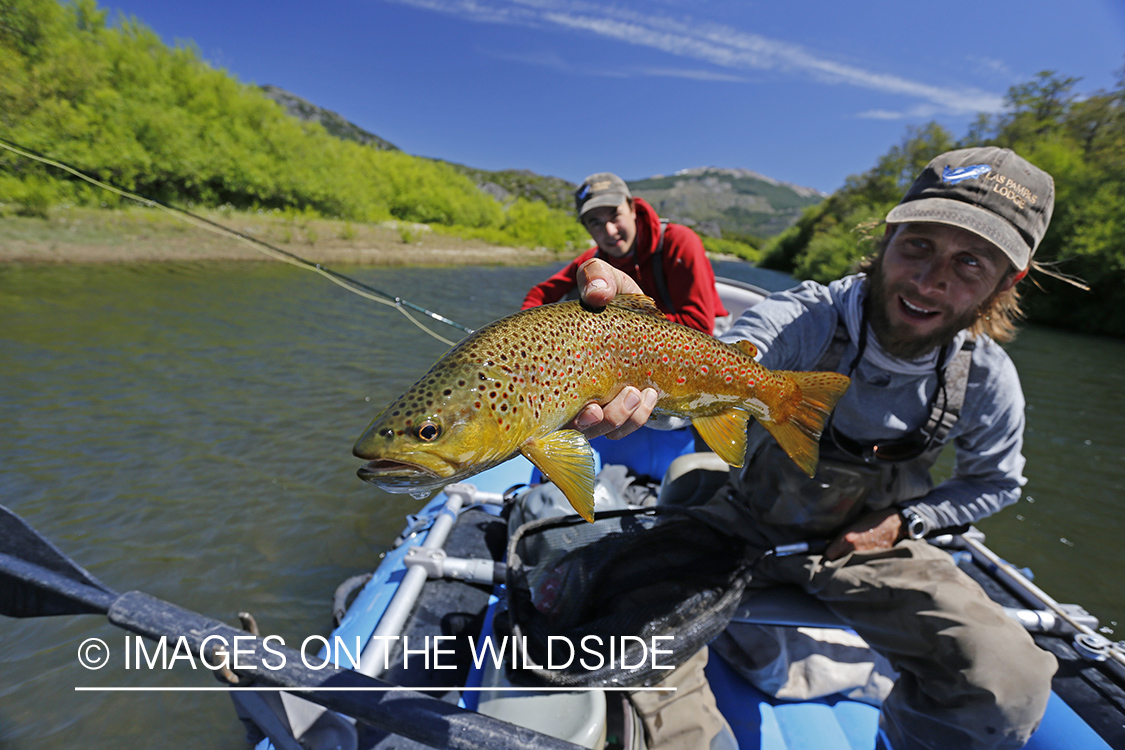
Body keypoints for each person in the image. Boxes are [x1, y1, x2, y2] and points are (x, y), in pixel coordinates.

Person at [569, 147, 1060, 750]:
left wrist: (907, 519)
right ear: (886, 237)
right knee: (617, 617)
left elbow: (996, 483)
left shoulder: (986, 379)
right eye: (918, 246)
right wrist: (646, 356)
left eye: (970, 263)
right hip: (743, 518)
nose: (932, 280)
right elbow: (736, 360)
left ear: (1007, 281)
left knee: (1010, 681)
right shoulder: (808, 317)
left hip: (869, 546)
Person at [523, 172, 728, 334]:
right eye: (596, 223)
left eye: (615, 216)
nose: (610, 231)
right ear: (587, 228)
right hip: (637, 339)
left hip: (706, 340)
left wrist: (615, 327)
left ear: (633, 209)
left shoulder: (680, 242)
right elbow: (539, 294)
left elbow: (700, 326)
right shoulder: (592, 260)